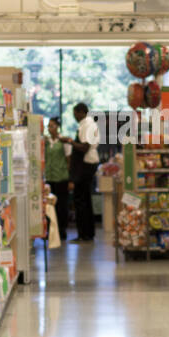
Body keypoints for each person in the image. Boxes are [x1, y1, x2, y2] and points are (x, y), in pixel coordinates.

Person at [68, 102, 99, 242]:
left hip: (85, 165)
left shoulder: (87, 125)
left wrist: (70, 142)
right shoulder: (88, 124)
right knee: (85, 199)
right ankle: (88, 233)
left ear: (81, 112)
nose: (75, 117)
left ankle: (83, 234)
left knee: (81, 200)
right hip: (87, 164)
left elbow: (84, 147)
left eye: (75, 114)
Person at [44, 116, 70, 241]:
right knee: (49, 205)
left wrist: (70, 179)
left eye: (52, 125)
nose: (50, 128)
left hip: (62, 177)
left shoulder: (63, 141)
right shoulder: (46, 142)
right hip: (49, 177)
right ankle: (50, 230)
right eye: (48, 126)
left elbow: (69, 160)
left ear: (57, 127)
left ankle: (62, 230)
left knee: (62, 205)